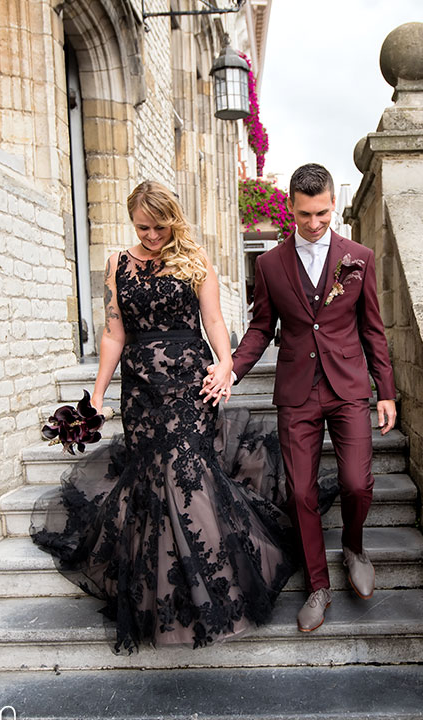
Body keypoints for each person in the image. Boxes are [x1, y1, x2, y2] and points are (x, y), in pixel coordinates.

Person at [30, 181, 296, 653]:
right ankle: (164, 594)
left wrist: (226, 365)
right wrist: (95, 395)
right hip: (142, 391)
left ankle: (213, 590)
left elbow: (215, 322)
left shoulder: (194, 259)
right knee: (153, 480)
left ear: (172, 219)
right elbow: (113, 334)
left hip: (190, 383)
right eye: (142, 227)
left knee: (186, 475)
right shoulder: (117, 264)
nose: (151, 235)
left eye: (159, 226)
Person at [221, 163, 397, 633]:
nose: (315, 224)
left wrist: (386, 391)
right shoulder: (269, 264)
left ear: (332, 205)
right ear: (291, 209)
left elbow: (373, 330)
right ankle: (318, 585)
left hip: (349, 387)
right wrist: (230, 370)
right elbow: (261, 329)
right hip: (298, 391)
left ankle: (355, 547)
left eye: (322, 213)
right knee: (301, 492)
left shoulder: (358, 256)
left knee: (357, 484)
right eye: (305, 215)